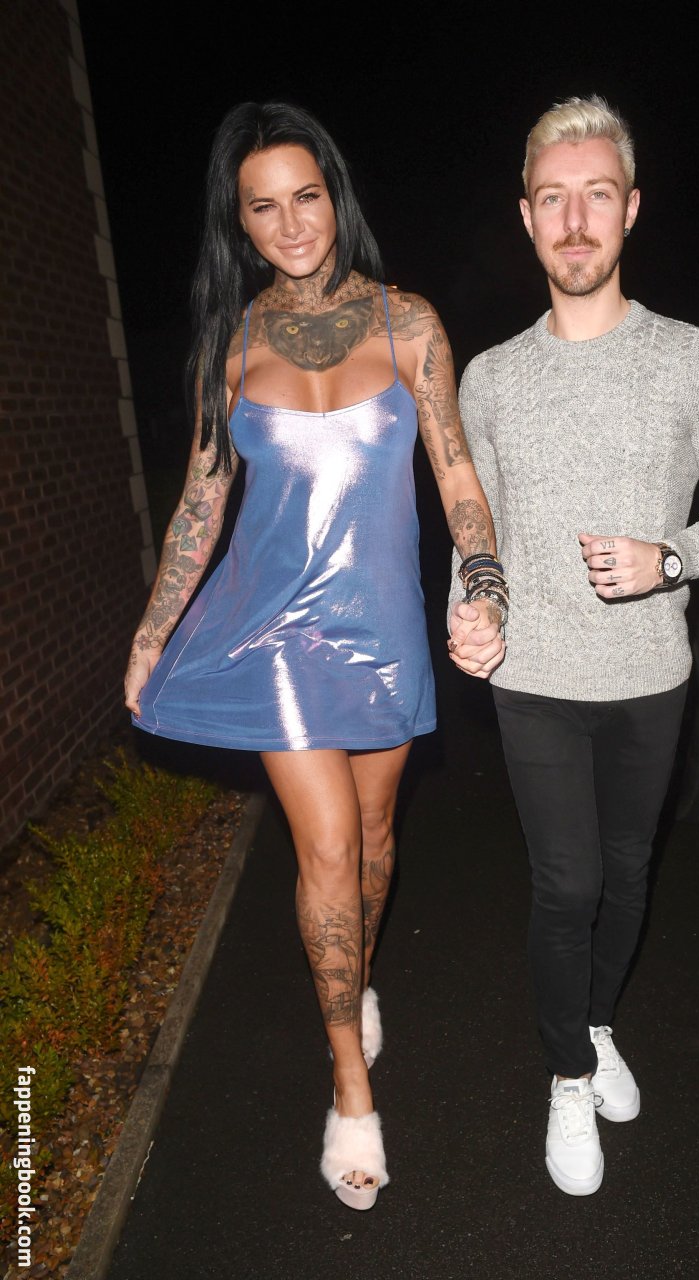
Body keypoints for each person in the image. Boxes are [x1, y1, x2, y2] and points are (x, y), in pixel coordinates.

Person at [123, 101, 506, 1212]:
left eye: (306, 196)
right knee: (328, 847)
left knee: (376, 842)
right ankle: (349, 1082)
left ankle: (357, 980)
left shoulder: (410, 321)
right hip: (276, 633)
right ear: (240, 226)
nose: (291, 223)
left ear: (334, 197)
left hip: (383, 629)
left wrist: (484, 581)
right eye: (264, 207)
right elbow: (201, 503)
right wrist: (151, 632)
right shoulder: (229, 344)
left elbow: (457, 471)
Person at [449, 95, 699, 1196]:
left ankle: (596, 1020)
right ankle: (568, 1073)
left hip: (650, 676)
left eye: (596, 195)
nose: (575, 220)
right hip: (535, 675)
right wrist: (470, 610)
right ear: (527, 217)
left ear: (630, 209)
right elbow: (475, 528)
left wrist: (669, 559)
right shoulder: (490, 378)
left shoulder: (696, 360)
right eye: (554, 199)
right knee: (568, 882)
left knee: (629, 874)